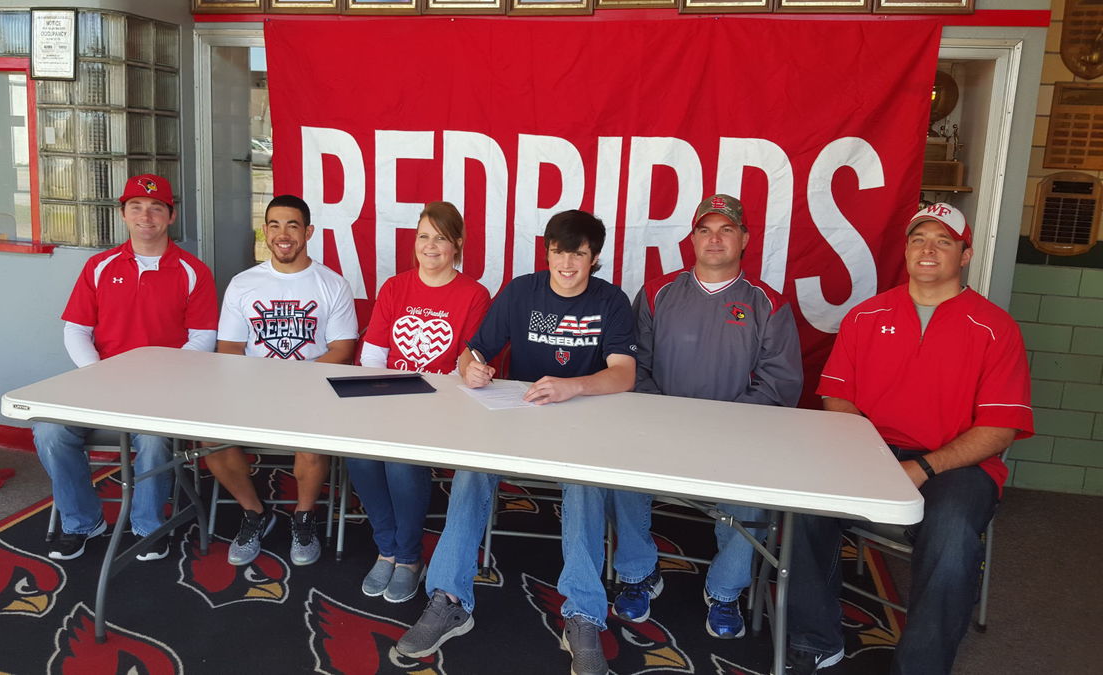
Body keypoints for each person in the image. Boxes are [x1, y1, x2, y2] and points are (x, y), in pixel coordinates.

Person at [396, 210, 655, 675]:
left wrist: (572, 385)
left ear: (594, 257)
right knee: (471, 470)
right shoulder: (521, 291)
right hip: (518, 416)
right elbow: (472, 350)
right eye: (559, 252)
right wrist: (469, 367)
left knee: (584, 484)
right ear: (548, 252)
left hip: (581, 420)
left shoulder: (611, 300)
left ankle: (582, 614)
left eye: (578, 253)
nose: (567, 263)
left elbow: (624, 373)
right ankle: (449, 598)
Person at [785, 203, 1033, 675]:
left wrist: (924, 468)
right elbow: (836, 398)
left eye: (943, 241)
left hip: (957, 466)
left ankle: (921, 665)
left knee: (952, 532)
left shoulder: (995, 328)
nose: (928, 249)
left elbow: (999, 428)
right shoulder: (866, 316)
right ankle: (817, 640)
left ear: (965, 254)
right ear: (905, 250)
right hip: (870, 451)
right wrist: (874, 459)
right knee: (806, 506)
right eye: (919, 239)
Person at [630, 194, 803, 637]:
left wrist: (723, 428)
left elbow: (779, 385)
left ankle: (725, 591)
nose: (714, 238)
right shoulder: (657, 292)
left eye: (726, 229)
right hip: (660, 427)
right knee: (617, 474)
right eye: (705, 229)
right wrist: (663, 416)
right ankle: (638, 574)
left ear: (744, 238)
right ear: (692, 238)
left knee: (753, 491)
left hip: (735, 437)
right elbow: (634, 367)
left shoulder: (767, 303)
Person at [35, 174, 218, 561]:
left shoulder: (192, 271)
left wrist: (161, 378)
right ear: (123, 214)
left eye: (156, 208)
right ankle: (82, 522)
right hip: (100, 383)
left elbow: (203, 338)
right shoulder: (99, 266)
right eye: (135, 207)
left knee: (152, 442)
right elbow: (76, 331)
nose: (145, 215)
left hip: (163, 388)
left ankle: (148, 526)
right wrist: (99, 375)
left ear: (171, 216)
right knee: (49, 432)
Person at [348, 202, 491, 603]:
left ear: (457, 245)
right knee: (359, 456)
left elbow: (469, 360)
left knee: (398, 460)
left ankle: (409, 558)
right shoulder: (395, 287)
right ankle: (386, 548)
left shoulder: (475, 294)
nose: (430, 246)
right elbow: (373, 354)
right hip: (389, 398)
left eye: (441, 238)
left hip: (441, 407)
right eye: (423, 236)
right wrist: (383, 397)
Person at [210, 194, 358, 567]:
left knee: (310, 438)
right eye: (274, 224)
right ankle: (255, 513)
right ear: (265, 231)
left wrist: (297, 382)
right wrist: (260, 385)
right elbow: (227, 347)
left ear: (307, 231)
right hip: (253, 390)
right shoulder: (244, 283)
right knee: (211, 439)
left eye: (292, 224)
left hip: (313, 390)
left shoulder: (332, 284)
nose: (283, 233)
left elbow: (343, 348)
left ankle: (303, 517)